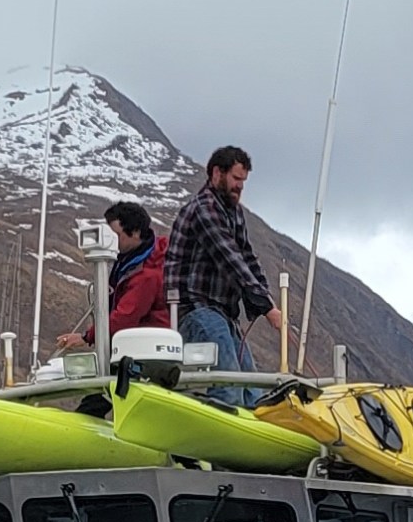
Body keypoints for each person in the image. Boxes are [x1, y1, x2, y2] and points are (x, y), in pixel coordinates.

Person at [164, 145, 282, 405]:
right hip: (196, 306)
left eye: (243, 181)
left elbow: (247, 256)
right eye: (236, 179)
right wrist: (265, 306)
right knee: (229, 385)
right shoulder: (203, 209)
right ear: (217, 173)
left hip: (223, 312)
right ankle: (222, 437)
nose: (240, 186)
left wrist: (266, 297)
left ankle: (254, 433)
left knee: (252, 391)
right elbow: (230, 258)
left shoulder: (234, 212)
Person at [58, 200, 172, 353]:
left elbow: (126, 316)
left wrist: (87, 337)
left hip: (148, 349)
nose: (113, 240)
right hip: (132, 344)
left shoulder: (148, 273)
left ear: (136, 232)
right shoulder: (130, 260)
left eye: (117, 235)